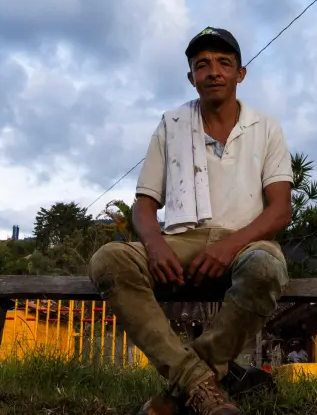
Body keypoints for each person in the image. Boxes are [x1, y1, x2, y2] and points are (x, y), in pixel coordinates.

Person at [89, 27, 293, 415]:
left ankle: (178, 395)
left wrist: (229, 246)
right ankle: (201, 384)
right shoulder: (171, 124)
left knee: (267, 265)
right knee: (108, 260)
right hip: (181, 240)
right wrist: (155, 244)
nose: (213, 71)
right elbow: (144, 205)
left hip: (243, 243)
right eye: (202, 65)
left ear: (240, 73)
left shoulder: (266, 128)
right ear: (191, 78)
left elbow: (280, 210)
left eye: (223, 63)